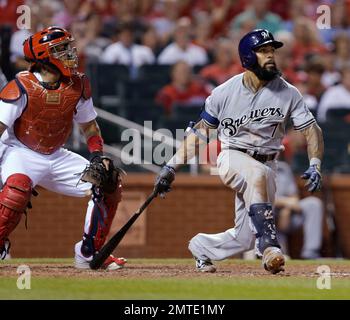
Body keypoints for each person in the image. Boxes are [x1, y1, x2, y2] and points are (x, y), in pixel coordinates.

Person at [154, 29, 324, 274]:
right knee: (255, 174)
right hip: (232, 156)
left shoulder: (288, 93)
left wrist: (315, 162)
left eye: (272, 51)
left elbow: (312, 130)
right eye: (264, 51)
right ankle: (269, 246)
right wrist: (171, 166)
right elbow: (201, 134)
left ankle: (201, 247)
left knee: (243, 237)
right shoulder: (224, 93)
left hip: (269, 164)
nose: (271, 56)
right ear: (248, 56)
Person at [0, 26, 126, 270]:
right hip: (20, 151)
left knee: (108, 182)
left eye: (69, 47)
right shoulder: (21, 85)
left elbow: (90, 127)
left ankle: (89, 253)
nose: (70, 53)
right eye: (61, 49)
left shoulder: (78, 84)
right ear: (44, 57)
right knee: (17, 188)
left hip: (56, 154)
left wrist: (98, 156)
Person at [274, 160, 324, 259]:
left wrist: (287, 209)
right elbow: (260, 199)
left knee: (313, 204)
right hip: (269, 214)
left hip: (288, 214)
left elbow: (294, 197)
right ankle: (275, 252)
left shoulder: (283, 167)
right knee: (266, 209)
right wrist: (285, 203)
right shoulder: (258, 166)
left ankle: (311, 252)